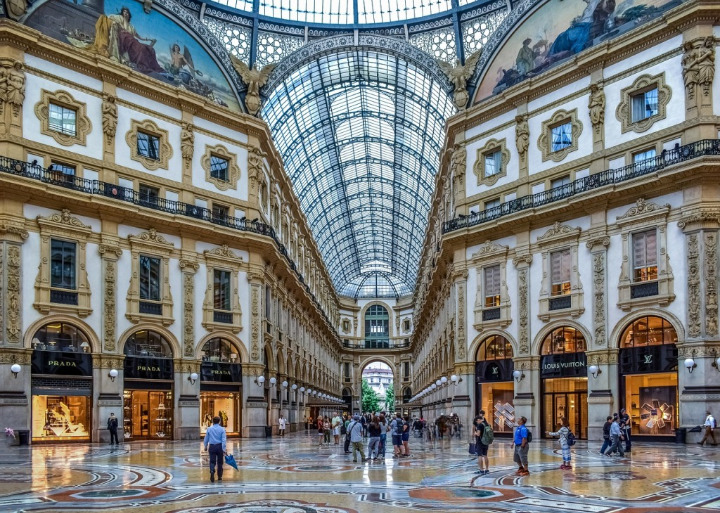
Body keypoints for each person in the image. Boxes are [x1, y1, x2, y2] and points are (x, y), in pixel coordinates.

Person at [203, 416, 227, 483]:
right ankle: (219, 476)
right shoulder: (222, 429)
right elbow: (223, 440)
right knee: (220, 462)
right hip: (219, 446)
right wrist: (224, 448)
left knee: (212, 461)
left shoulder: (209, 429)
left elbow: (206, 438)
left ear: (212, 421)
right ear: (219, 421)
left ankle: (212, 471)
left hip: (212, 446)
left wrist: (205, 446)